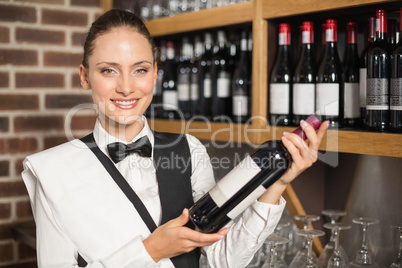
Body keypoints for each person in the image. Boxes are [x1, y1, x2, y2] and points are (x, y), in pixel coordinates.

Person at [21, 9, 329, 268]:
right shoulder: (51, 171)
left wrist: (277, 183)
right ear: (85, 75)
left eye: (139, 70)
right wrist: (151, 250)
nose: (127, 87)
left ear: (155, 74)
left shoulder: (189, 150)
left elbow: (225, 257)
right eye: (109, 71)